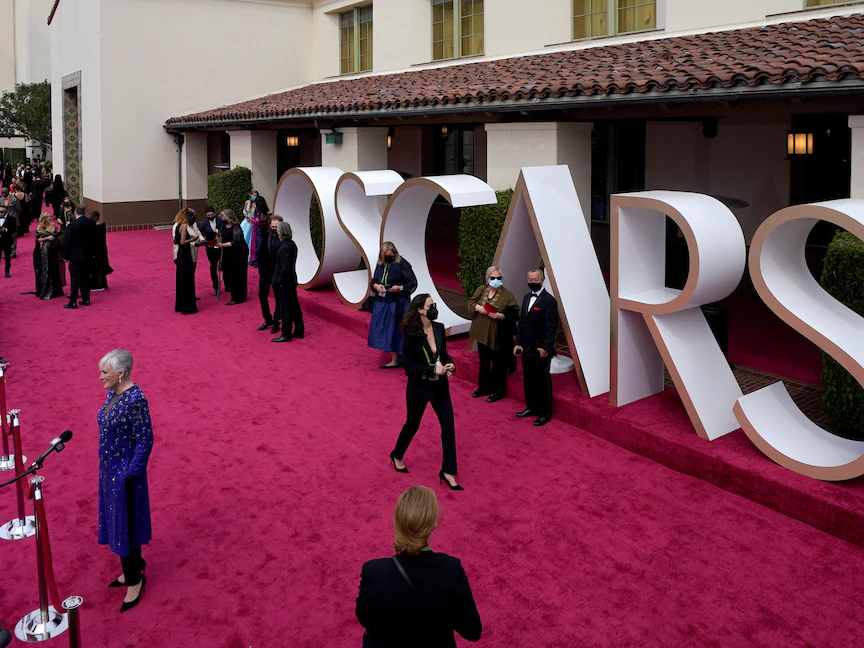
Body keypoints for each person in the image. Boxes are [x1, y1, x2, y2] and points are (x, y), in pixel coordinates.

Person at [355, 485, 482, 647]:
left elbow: (364, 618)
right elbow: (472, 631)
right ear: (433, 525)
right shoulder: (450, 569)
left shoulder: (373, 572)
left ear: (395, 522)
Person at [97, 349, 153, 613]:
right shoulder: (114, 391)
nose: (100, 377)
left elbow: (145, 439)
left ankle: (135, 579)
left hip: (124, 477)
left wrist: (130, 474)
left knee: (127, 525)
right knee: (119, 522)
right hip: (109, 472)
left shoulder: (136, 400)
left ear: (121, 373)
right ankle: (134, 566)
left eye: (104, 372)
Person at [390, 294, 462, 490]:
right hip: (419, 388)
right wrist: (431, 370)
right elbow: (408, 365)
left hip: (440, 387)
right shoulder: (411, 335)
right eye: (430, 306)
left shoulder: (438, 328)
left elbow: (443, 354)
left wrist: (450, 364)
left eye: (434, 305)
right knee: (412, 424)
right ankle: (397, 454)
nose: (434, 309)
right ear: (420, 310)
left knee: (448, 428)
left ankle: (448, 471)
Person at [466, 265, 519, 403]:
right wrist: (477, 307)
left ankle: (498, 391)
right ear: (487, 278)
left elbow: (515, 312)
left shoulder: (507, 295)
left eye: (498, 278)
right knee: (484, 361)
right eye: (493, 278)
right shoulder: (481, 290)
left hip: (497, 334)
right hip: (481, 332)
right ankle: (483, 387)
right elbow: (470, 302)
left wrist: (501, 315)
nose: (496, 280)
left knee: (498, 363)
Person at [514, 268, 558, 427]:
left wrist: (545, 348)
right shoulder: (526, 297)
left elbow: (551, 328)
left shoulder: (549, 301)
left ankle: (544, 413)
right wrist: (518, 342)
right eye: (530, 280)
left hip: (540, 350)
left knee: (542, 381)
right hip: (526, 348)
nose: (532, 282)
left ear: (542, 280)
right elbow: (522, 322)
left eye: (536, 280)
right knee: (528, 379)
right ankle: (531, 407)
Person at [369, 242, 417, 369]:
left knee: (396, 329)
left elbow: (412, 283)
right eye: (386, 256)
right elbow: (374, 281)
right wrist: (376, 286)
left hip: (398, 302)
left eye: (391, 255)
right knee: (386, 328)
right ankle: (394, 356)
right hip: (383, 302)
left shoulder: (402, 263)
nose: (389, 257)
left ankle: (397, 359)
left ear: (395, 253)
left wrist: (399, 288)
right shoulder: (380, 264)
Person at [271, 221, 304, 342]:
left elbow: (285, 267)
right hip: (289, 280)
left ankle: (286, 333)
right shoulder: (290, 244)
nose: (277, 231)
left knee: (286, 308)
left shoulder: (285, 247)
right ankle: (299, 330)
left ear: (281, 231)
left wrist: (279, 280)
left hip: (285, 282)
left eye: (278, 229)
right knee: (294, 306)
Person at [62, 205, 97, 309]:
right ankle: (86, 299)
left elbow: (67, 242)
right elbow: (95, 240)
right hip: (88, 255)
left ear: (76, 212)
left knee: (75, 278)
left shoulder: (72, 225)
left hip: (75, 256)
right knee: (86, 277)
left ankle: (73, 301)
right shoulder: (92, 223)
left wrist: (65, 255)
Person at [256, 214, 283, 334]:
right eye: (273, 227)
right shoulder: (266, 236)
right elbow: (261, 254)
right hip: (265, 272)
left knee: (278, 298)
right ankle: (268, 319)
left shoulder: (284, 240)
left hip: (277, 273)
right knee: (262, 295)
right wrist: (261, 271)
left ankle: (277, 321)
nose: (275, 229)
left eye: (277, 227)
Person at [216, 209, 248, 305]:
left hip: (238, 253)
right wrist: (217, 239)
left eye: (223, 216)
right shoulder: (223, 226)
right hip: (228, 253)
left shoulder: (236, 227)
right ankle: (232, 290)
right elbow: (220, 235)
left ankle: (238, 297)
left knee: (237, 274)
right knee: (229, 273)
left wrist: (222, 245)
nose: (221, 218)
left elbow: (236, 241)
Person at [173, 209, 199, 314]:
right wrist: (193, 239)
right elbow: (182, 242)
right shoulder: (183, 226)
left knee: (181, 279)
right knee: (187, 279)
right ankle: (187, 306)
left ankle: (181, 305)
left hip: (181, 254)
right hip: (185, 254)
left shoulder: (177, 226)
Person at [34, 212, 64, 299]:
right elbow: (38, 239)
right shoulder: (40, 226)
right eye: (48, 217)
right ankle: (47, 291)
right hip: (46, 249)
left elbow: (56, 234)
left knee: (55, 267)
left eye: (50, 216)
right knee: (47, 268)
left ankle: (56, 291)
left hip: (54, 248)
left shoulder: (53, 224)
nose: (50, 218)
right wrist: (47, 238)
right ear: (44, 218)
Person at [199, 205, 222, 296]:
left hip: (221, 246)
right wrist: (202, 240)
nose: (210, 217)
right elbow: (200, 234)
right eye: (208, 215)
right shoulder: (203, 224)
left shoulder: (221, 221)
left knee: (225, 265)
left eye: (212, 215)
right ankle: (216, 287)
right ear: (206, 215)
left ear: (215, 213)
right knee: (213, 267)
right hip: (211, 248)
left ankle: (228, 285)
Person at [244, 190, 269, 268]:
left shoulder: (258, 210)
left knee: (256, 245)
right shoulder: (265, 210)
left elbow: (257, 221)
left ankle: (256, 261)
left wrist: (251, 220)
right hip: (263, 228)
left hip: (257, 229)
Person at [89, 211, 113, 291]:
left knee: (99, 267)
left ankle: (99, 285)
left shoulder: (99, 227)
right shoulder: (97, 226)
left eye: (91, 217)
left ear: (95, 217)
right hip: (98, 249)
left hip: (99, 250)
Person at [2, 187, 21, 258]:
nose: (3, 194)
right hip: (3, 221)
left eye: (4, 192)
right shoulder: (1, 200)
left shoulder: (14, 200)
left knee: (13, 237)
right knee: (5, 238)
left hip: (13, 221)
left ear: (8, 192)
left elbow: (19, 210)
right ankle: (7, 252)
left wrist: (14, 217)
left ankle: (13, 253)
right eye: (2, 193)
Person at [0, 205, 17, 278]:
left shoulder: (12, 219)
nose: (0, 213)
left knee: (7, 257)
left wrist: (6, 230)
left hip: (7, 240)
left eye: (2, 211)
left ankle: (7, 271)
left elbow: (14, 230)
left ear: (6, 211)